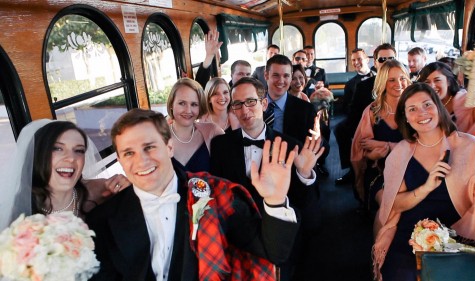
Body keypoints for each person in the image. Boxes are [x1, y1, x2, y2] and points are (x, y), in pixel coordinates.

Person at [86, 108, 300, 281]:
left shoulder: (217, 194)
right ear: (120, 161)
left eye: (149, 147)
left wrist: (275, 200)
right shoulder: (103, 219)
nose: (141, 161)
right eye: (129, 153)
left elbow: (273, 253)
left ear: (169, 147)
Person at [373, 83, 475, 281]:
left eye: (427, 105)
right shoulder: (401, 153)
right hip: (411, 235)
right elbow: (395, 203)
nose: (421, 113)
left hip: (460, 234)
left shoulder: (469, 146)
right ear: (405, 117)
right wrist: (426, 188)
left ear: (438, 107)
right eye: (412, 109)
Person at [210, 77, 323, 281]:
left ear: (264, 104)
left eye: (251, 102)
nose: (245, 111)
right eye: (238, 104)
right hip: (238, 238)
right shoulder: (220, 146)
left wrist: (305, 174)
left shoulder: (290, 146)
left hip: (280, 238)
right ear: (233, 109)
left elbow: (309, 211)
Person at [0, 120, 129, 229]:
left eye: (79, 150)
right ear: (39, 155)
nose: (71, 158)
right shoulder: (19, 211)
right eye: (58, 148)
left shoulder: (103, 191)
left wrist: (130, 191)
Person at [351, 60, 409, 213]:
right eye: (391, 80)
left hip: (412, 169)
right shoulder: (372, 112)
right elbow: (360, 150)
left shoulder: (415, 108)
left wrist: (386, 145)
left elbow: (423, 146)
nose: (399, 83)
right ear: (383, 82)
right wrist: (371, 156)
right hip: (380, 171)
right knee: (388, 203)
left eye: (402, 78)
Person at [335, 43, 397, 186]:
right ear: (375, 62)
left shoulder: (404, 85)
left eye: (391, 58)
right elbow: (353, 114)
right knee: (342, 130)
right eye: (382, 60)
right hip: (368, 127)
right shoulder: (363, 87)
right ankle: (355, 171)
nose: (387, 62)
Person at [417, 62, 475, 154]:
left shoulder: (464, 99)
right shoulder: (427, 106)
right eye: (427, 82)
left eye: (437, 80)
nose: (432, 86)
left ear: (448, 81)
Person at [263, 54, 323, 175]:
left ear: (290, 78)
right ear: (266, 75)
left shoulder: (306, 109)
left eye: (286, 76)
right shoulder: (254, 106)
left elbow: (319, 146)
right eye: (275, 75)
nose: (281, 81)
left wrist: (317, 140)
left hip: (294, 170)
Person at [334, 48, 375, 185]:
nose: (356, 62)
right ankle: (351, 168)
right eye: (353, 60)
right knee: (340, 130)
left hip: (377, 116)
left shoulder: (379, 76)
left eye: (359, 59)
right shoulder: (351, 84)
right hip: (358, 118)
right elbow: (346, 107)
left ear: (367, 60)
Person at [166, 78, 224, 172]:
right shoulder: (158, 137)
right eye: (182, 103)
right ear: (171, 104)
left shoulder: (212, 131)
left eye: (194, 104)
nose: (188, 110)